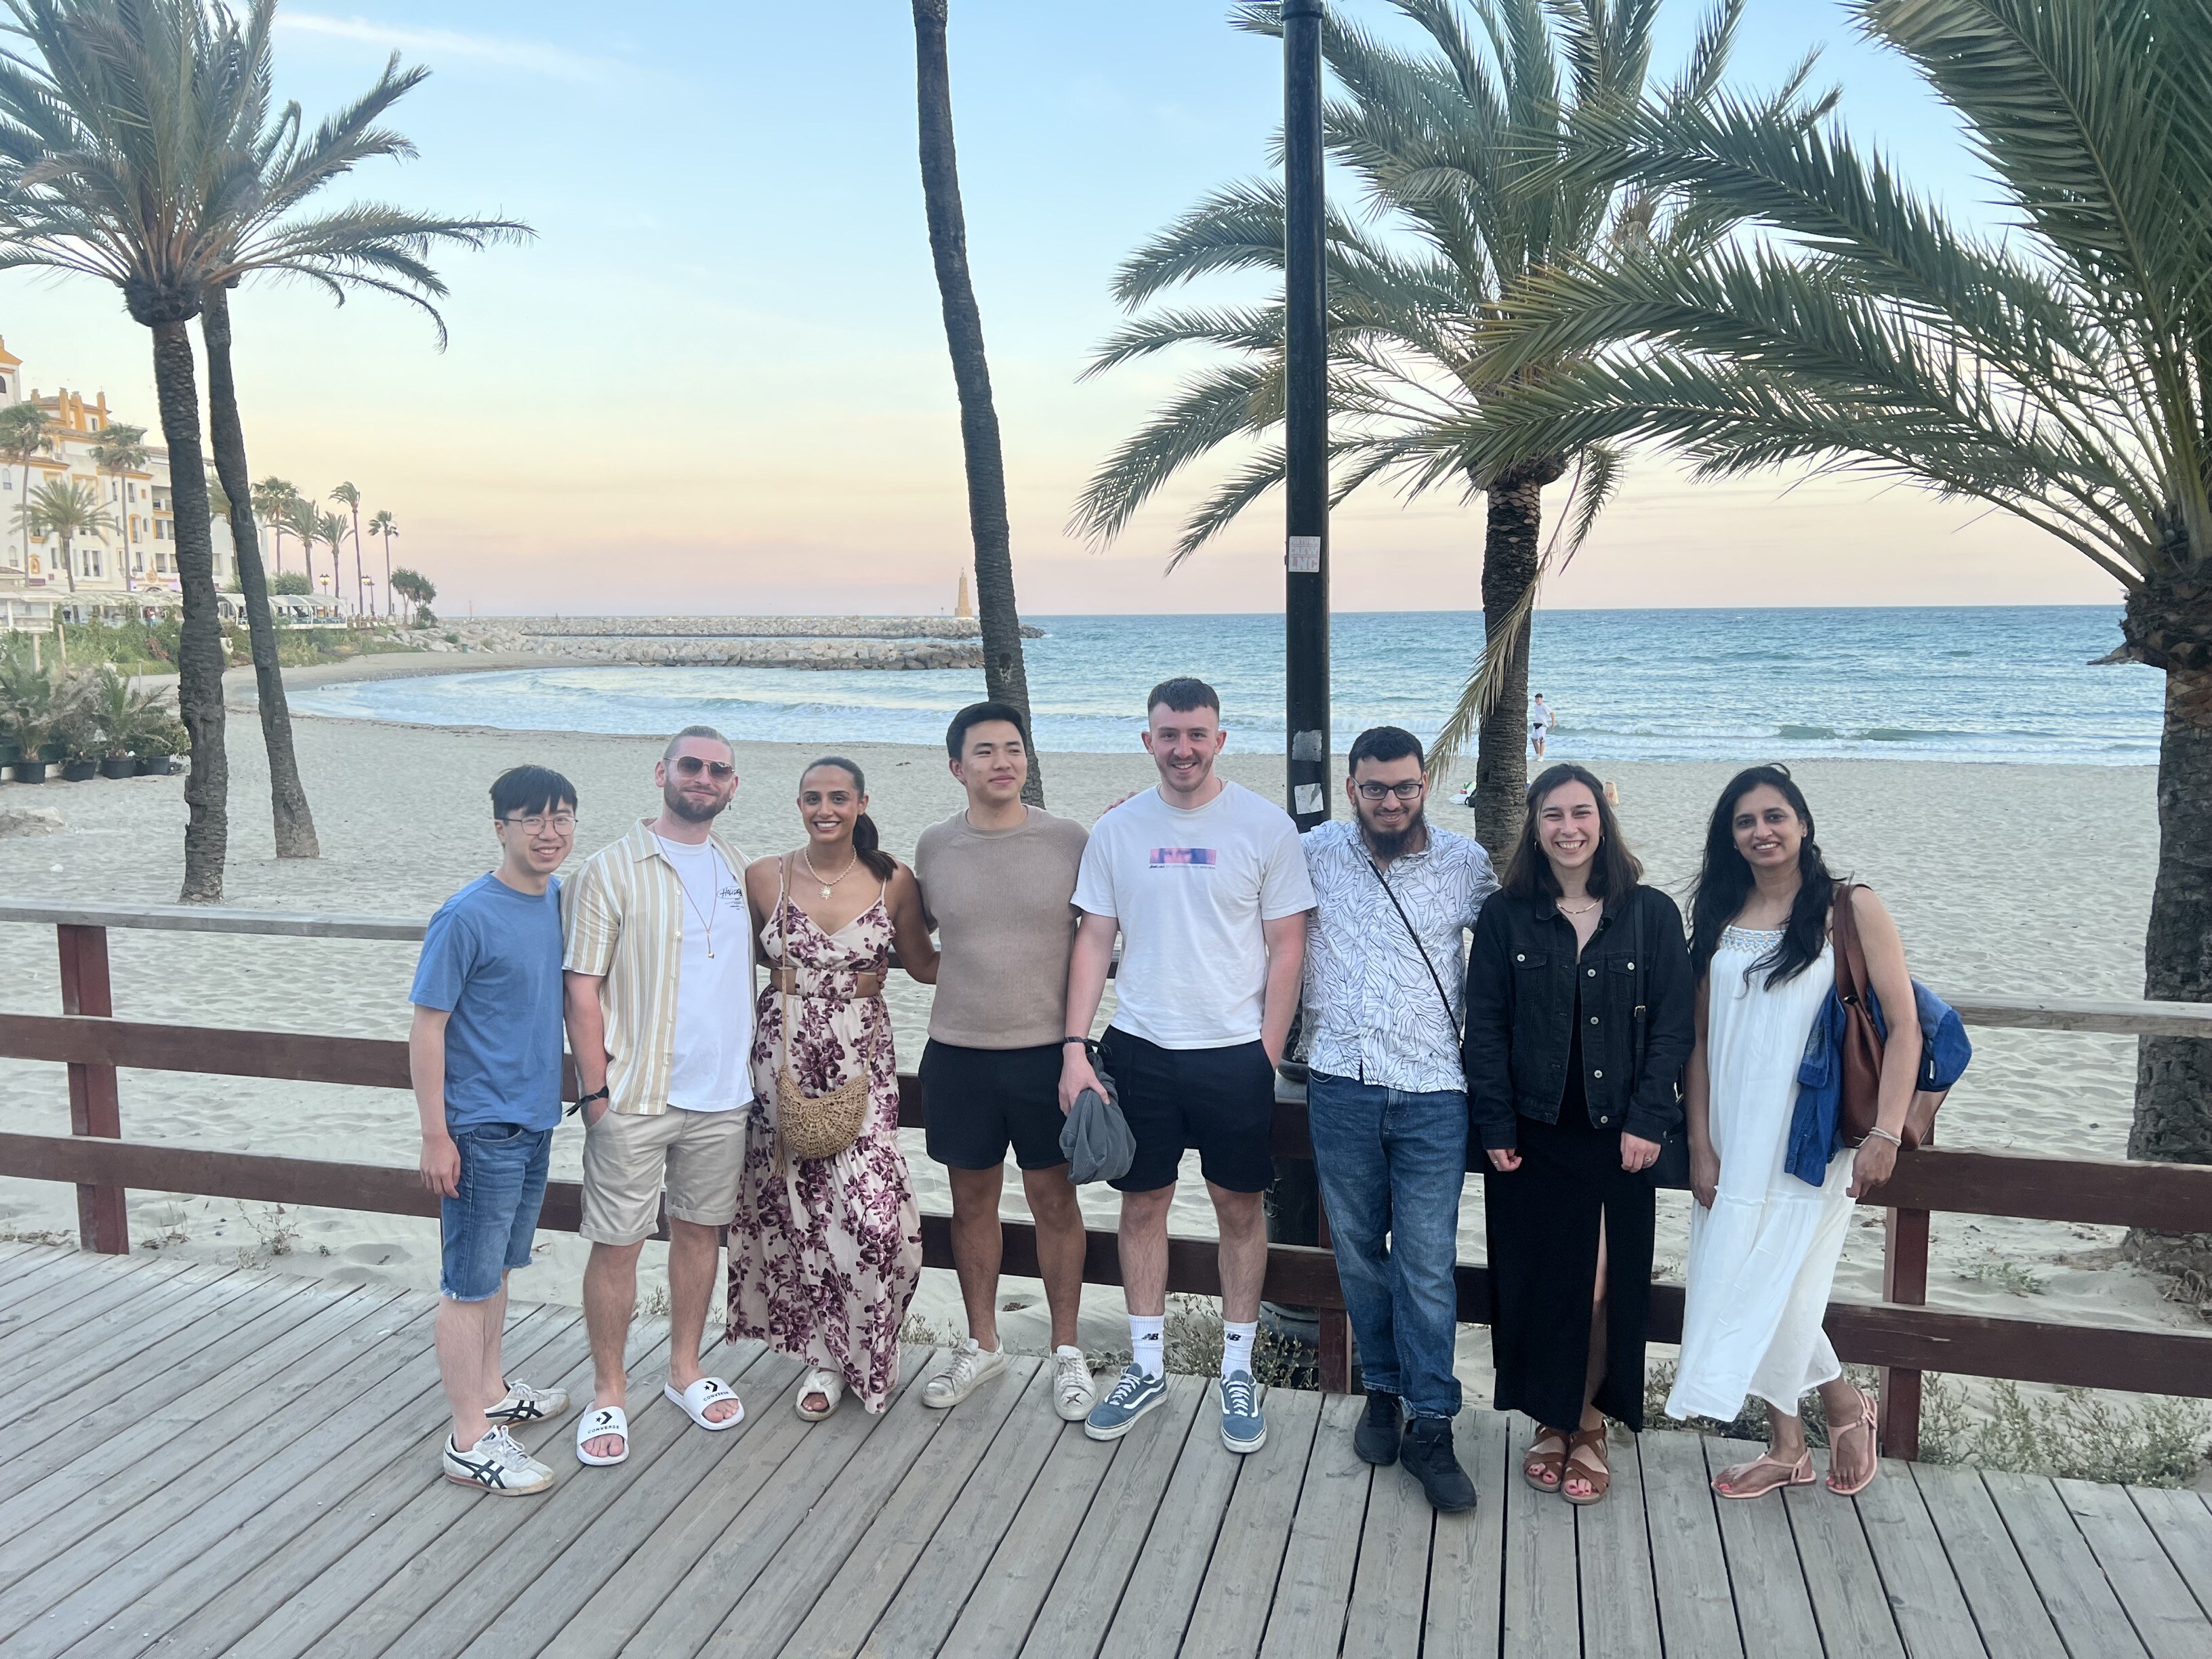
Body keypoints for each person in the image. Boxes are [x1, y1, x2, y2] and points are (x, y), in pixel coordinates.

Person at [1061, 678, 1313, 1454]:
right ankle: (1147, 1367)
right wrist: (1076, 1048)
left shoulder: (1264, 828)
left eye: (1197, 734)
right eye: (1168, 734)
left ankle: (1238, 1371)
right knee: (1143, 1208)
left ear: (1221, 739)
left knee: (1240, 1211)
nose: (1183, 748)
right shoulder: (1118, 831)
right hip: (1141, 1046)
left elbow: (1287, 946)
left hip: (1233, 1053)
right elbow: (1094, 940)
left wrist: (1264, 1052)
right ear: (1148, 741)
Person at [1670, 764, 1913, 1500]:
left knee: (1783, 1286)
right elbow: (1701, 1040)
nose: (1762, 831)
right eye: (1745, 822)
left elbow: (1902, 1027)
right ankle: (1793, 1443)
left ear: (1803, 824)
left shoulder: (1850, 908)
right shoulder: (1719, 912)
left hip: (1813, 1140)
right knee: (1740, 1282)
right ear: (1731, 837)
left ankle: (1833, 1412)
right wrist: (1702, 1142)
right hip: (1733, 1137)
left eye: (1775, 816)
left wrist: (1889, 1134)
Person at [1464, 763, 1692, 1506]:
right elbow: (1486, 1026)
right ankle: (1549, 1421)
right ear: (1535, 826)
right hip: (1531, 1133)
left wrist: (1651, 1118)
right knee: (1535, 1281)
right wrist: (1494, 1119)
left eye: (1581, 812)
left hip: (1614, 1132)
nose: (1568, 828)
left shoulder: (1651, 913)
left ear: (1603, 820)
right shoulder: (1507, 916)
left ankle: (1588, 1421)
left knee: (1600, 1285)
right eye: (1553, 815)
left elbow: (1673, 1027)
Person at [1301, 726, 1496, 1511]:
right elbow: (1225, 872)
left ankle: (1434, 1423)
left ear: (1425, 785)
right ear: (1352, 787)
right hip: (1339, 1082)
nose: (1391, 801)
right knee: (1356, 1251)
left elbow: (1528, 936)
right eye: (1376, 788)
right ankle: (1381, 1391)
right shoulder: (1311, 852)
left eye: (1406, 787)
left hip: (1433, 1090)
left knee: (1424, 1260)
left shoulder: (1464, 863)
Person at [562, 727, 754, 1467]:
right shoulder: (610, 870)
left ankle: (685, 1369)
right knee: (618, 1246)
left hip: (722, 1096)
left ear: (733, 786)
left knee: (701, 1235)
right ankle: (608, 1391)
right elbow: (580, 986)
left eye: (718, 770)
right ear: (662, 773)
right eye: (691, 766)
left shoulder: (741, 868)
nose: (703, 779)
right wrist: (597, 1093)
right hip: (636, 1094)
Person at [732, 756, 937, 1419]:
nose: (826, 808)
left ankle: (869, 1351)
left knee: (879, 1222)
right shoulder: (765, 875)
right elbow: (731, 965)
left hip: (863, 1060)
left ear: (860, 802)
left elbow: (927, 965)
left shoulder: (894, 879)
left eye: (839, 798)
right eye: (813, 797)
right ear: (798, 803)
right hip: (784, 1058)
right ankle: (824, 1360)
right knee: (802, 1215)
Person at [913, 702, 1096, 1422]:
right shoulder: (934, 846)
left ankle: (1067, 1353)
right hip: (957, 1055)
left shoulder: (1070, 841)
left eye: (1013, 749)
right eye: (984, 752)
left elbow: (1103, 934)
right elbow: (915, 944)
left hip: (1049, 1055)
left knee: (1056, 1202)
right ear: (957, 766)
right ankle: (983, 1343)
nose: (1002, 763)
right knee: (970, 1204)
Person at [409, 765, 578, 1495]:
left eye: (562, 817)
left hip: (533, 1118)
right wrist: (435, 1134)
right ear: (501, 828)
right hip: (478, 1126)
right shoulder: (466, 914)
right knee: (467, 1283)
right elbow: (427, 1026)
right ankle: (468, 1438)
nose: (549, 832)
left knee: (503, 1268)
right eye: (532, 819)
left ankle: (491, 1391)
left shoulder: (558, 900)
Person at [1530, 693, 1554, 760]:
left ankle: (1541, 756)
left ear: (1541, 699)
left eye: (1538, 699)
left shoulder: (1544, 706)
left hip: (1542, 725)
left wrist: (1553, 724)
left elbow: (1552, 713)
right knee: (1533, 739)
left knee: (1541, 740)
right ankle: (1537, 754)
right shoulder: (1536, 706)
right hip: (1536, 724)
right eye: (1536, 699)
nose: (1537, 700)